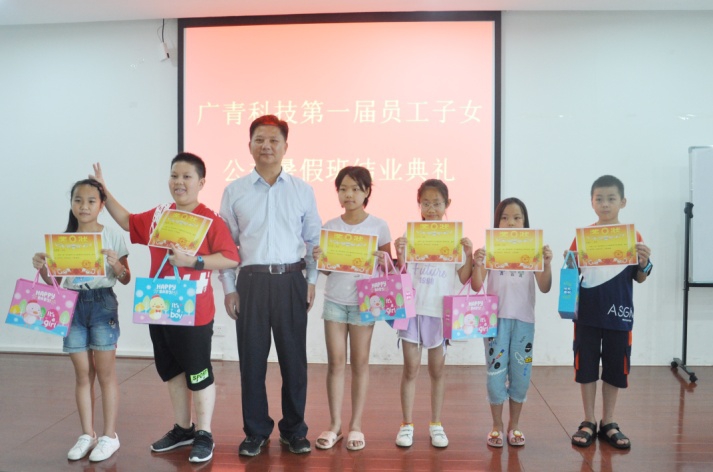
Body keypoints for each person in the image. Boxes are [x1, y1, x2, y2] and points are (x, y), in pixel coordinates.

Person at [90, 153, 240, 463]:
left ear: (201, 182)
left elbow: (230, 258)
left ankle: (205, 434)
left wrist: (193, 261)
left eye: (186, 177)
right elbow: (128, 222)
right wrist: (104, 191)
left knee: (198, 372)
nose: (179, 182)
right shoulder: (160, 215)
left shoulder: (210, 220)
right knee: (172, 371)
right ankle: (183, 429)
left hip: (195, 310)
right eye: (174, 176)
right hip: (158, 305)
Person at [219, 115, 321, 457]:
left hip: (292, 280)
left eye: (273, 140)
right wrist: (229, 288)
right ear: (249, 145)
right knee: (251, 362)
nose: (266, 146)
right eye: (259, 139)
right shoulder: (234, 191)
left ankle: (294, 430)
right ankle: (256, 431)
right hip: (251, 282)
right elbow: (226, 246)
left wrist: (311, 281)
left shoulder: (302, 190)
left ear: (285, 147)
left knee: (294, 361)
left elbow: (313, 241)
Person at [31, 178, 130, 462]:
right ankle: (88, 434)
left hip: (102, 304)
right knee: (83, 374)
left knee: (106, 373)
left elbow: (125, 278)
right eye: (78, 200)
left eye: (90, 201)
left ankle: (109, 436)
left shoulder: (112, 235)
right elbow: (55, 283)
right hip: (71, 305)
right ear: (72, 204)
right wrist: (43, 267)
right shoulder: (63, 241)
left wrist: (117, 265)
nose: (84, 206)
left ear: (101, 205)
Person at [568, 175, 652, 449]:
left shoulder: (633, 237)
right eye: (599, 199)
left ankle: (609, 421)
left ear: (622, 202)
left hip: (619, 314)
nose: (605, 204)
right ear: (591, 202)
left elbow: (640, 277)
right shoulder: (582, 237)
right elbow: (571, 273)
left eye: (611, 199)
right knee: (587, 367)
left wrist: (645, 262)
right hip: (587, 315)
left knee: (616, 368)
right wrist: (569, 260)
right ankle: (588, 420)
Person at [312, 166, 392, 451]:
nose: (349, 194)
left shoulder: (379, 226)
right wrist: (320, 259)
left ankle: (355, 425)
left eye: (356, 189)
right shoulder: (330, 225)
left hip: (365, 302)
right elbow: (328, 271)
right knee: (335, 363)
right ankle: (335, 425)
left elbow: (390, 268)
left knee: (359, 363)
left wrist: (383, 259)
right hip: (335, 300)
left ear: (367, 191)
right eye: (343, 189)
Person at [393, 179, 473, 448]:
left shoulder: (453, 238)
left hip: (439, 312)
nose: (431, 208)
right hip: (412, 311)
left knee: (437, 370)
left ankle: (436, 424)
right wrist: (400, 253)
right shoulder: (412, 236)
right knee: (410, 368)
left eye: (437, 203)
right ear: (419, 204)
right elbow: (403, 273)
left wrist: (468, 253)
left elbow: (463, 277)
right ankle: (406, 424)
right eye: (426, 203)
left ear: (447, 204)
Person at [471, 198, 552, 447]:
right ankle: (496, 426)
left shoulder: (533, 250)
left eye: (517, 218)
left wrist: (547, 263)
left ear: (525, 222)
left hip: (524, 320)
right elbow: (476, 285)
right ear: (497, 222)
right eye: (505, 218)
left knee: (521, 374)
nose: (511, 223)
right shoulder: (491, 248)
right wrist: (478, 263)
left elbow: (545, 286)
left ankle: (514, 425)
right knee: (495, 374)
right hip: (494, 320)